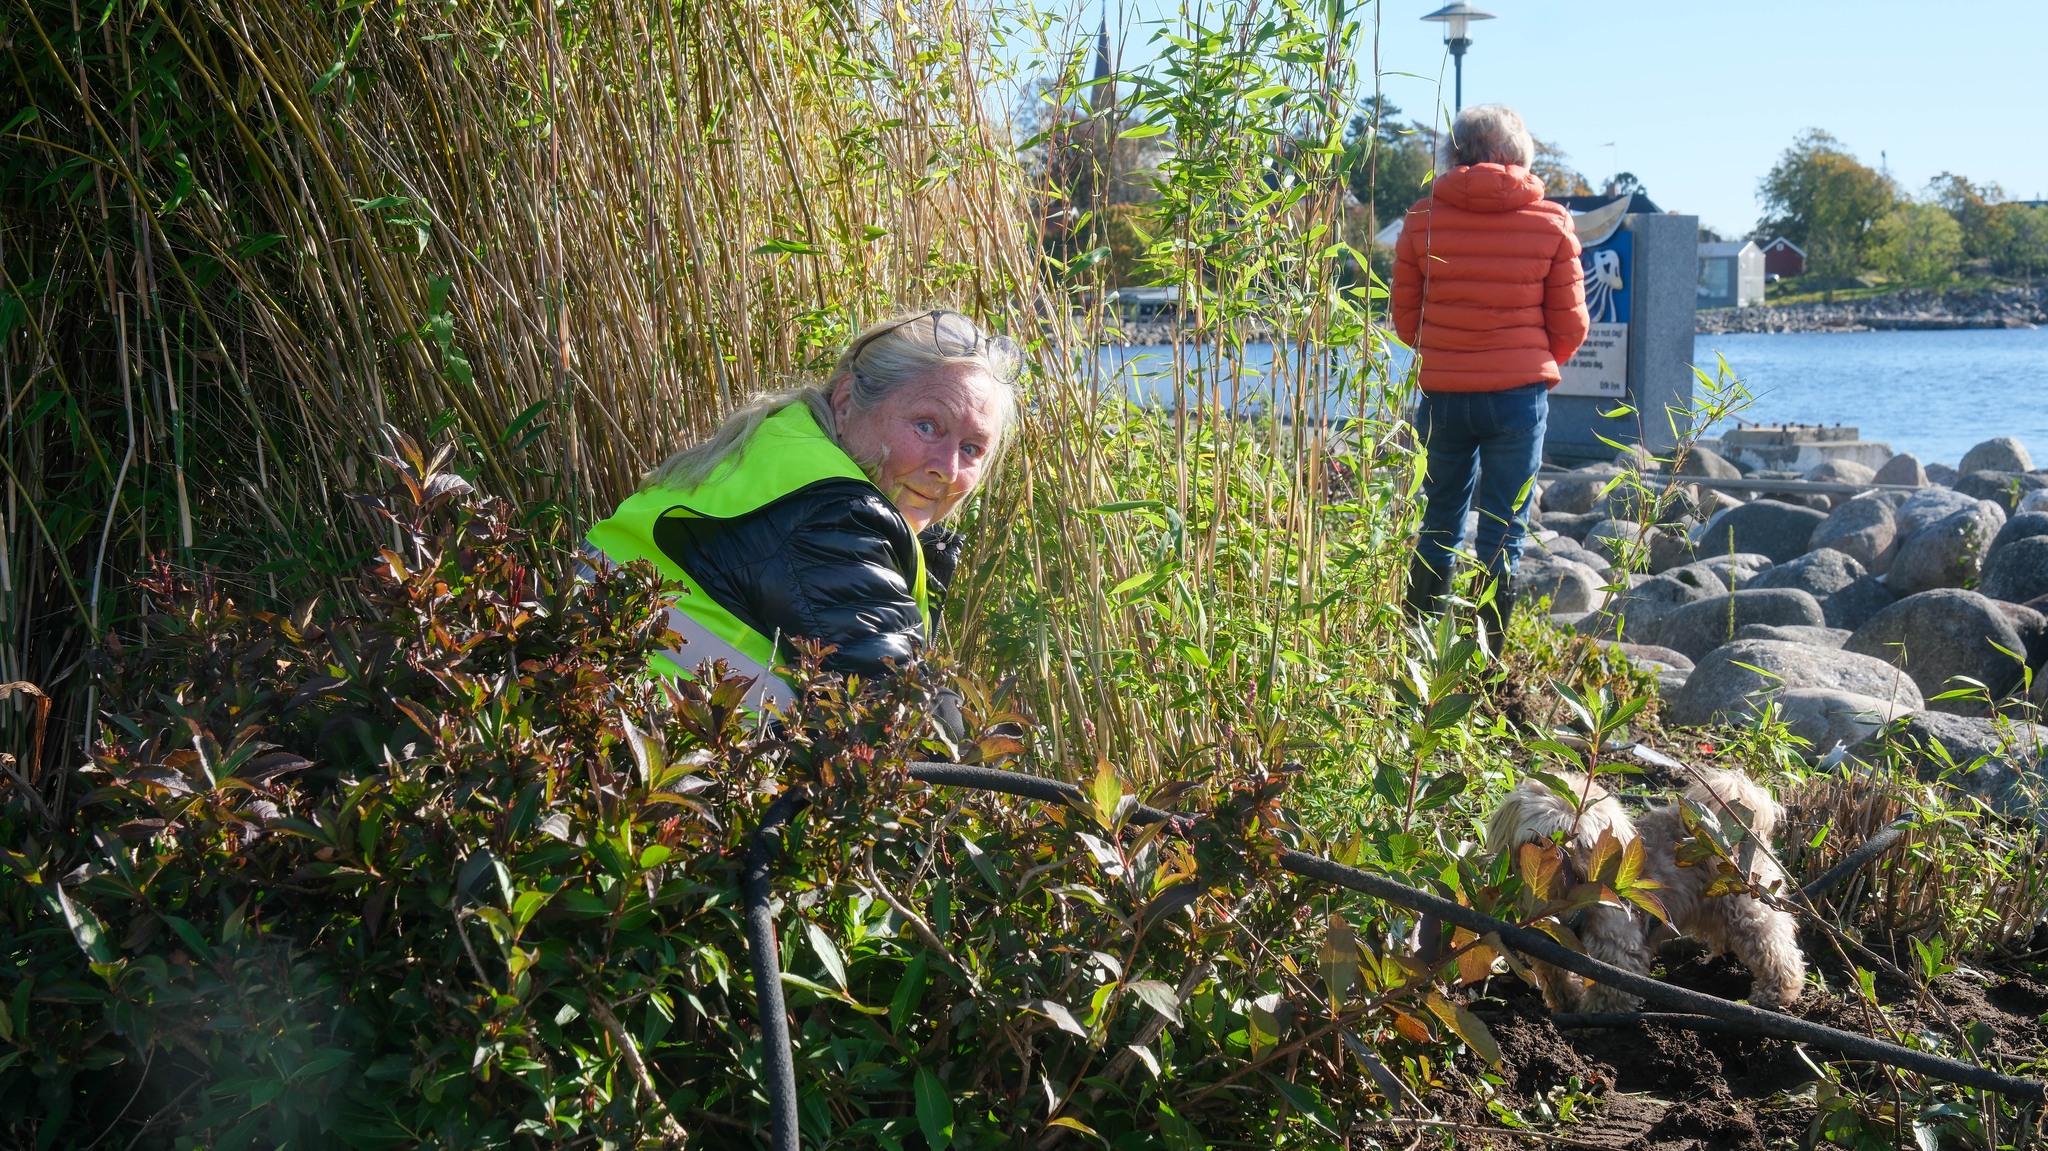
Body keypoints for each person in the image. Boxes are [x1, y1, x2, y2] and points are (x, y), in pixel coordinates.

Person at [584, 309, 1021, 709]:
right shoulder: (836, 516)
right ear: (847, 401)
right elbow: (902, 720)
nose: (947, 469)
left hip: (585, 719)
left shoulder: (780, 446)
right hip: (632, 768)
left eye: (971, 449)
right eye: (927, 426)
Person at [1391, 103, 1589, 654]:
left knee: (1439, 519)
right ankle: (1482, 665)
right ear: (1518, 152)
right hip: (1517, 400)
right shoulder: (1550, 222)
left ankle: (1419, 652)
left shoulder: (1422, 219)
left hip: (1444, 393)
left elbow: (1407, 320)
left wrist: (1450, 351)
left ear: (1455, 152)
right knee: (1504, 529)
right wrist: (1528, 359)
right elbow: (1572, 324)